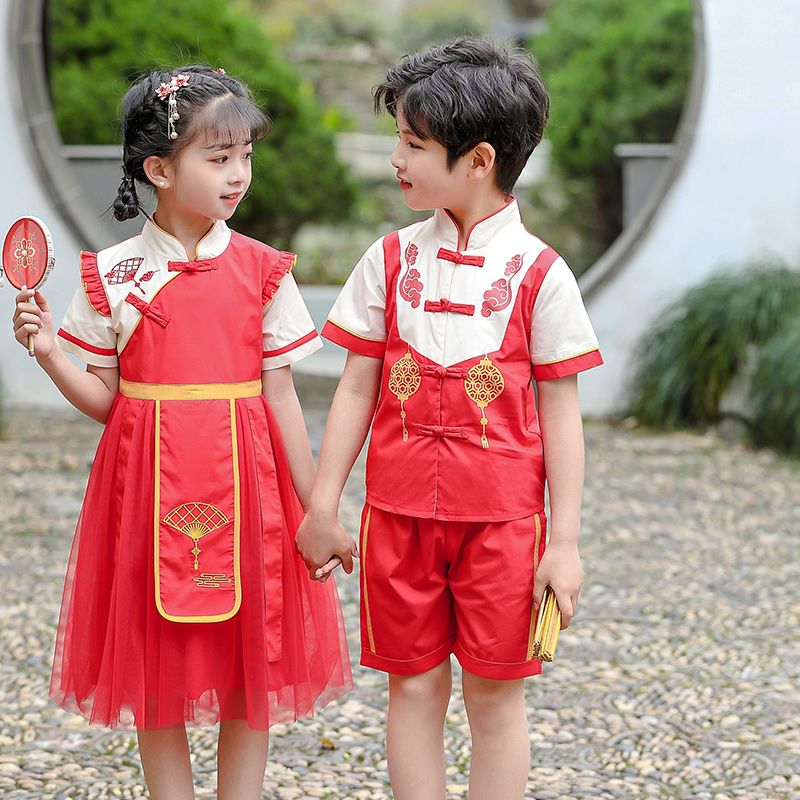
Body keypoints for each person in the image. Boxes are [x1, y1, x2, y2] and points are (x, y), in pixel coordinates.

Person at [12, 65, 351, 800]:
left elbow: (283, 398)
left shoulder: (264, 271)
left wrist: (316, 507)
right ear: (158, 168)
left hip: (251, 489)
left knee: (250, 658)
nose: (239, 175)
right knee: (153, 656)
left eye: (245, 156)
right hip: (145, 490)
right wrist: (48, 354)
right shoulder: (114, 273)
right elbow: (108, 400)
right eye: (218, 157)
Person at [296, 38, 602, 799]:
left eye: (413, 143)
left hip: (503, 526)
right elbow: (356, 389)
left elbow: (561, 414)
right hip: (396, 521)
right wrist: (324, 506)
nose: (396, 157)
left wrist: (562, 543)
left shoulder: (541, 275)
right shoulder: (389, 260)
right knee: (414, 689)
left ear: (479, 159)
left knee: (494, 697)